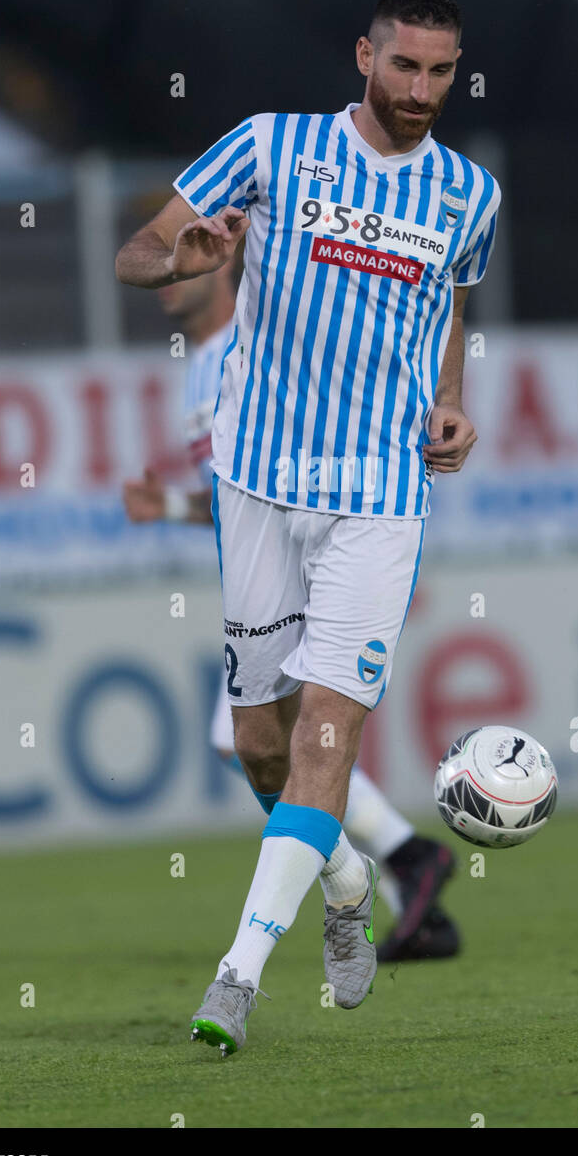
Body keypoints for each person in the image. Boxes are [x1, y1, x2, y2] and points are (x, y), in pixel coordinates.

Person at [115, 0, 501, 1055]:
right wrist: (179, 260)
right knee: (261, 748)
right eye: (404, 66)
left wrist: (452, 401)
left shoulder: (470, 195)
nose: (421, 89)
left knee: (329, 735)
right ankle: (344, 879)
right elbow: (135, 252)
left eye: (441, 71)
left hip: (379, 499)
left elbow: (451, 309)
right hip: (257, 486)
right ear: (362, 58)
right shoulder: (270, 146)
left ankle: (236, 979)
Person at [122, 257, 461, 962]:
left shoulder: (249, 352)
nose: (170, 277)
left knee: (269, 741)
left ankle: (388, 866)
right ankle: (405, 875)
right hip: (265, 570)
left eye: (188, 260)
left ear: (228, 265)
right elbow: (233, 495)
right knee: (257, 743)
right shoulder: (201, 365)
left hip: (308, 565)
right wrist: (172, 508)